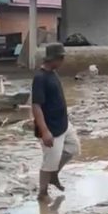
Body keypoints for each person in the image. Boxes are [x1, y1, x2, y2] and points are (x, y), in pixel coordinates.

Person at [32, 42, 80, 203]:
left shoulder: (53, 73)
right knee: (49, 162)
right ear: (54, 59)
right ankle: (43, 193)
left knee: (73, 148)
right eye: (62, 58)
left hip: (63, 124)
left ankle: (54, 175)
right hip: (50, 128)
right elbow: (36, 106)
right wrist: (44, 131)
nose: (63, 61)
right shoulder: (40, 78)